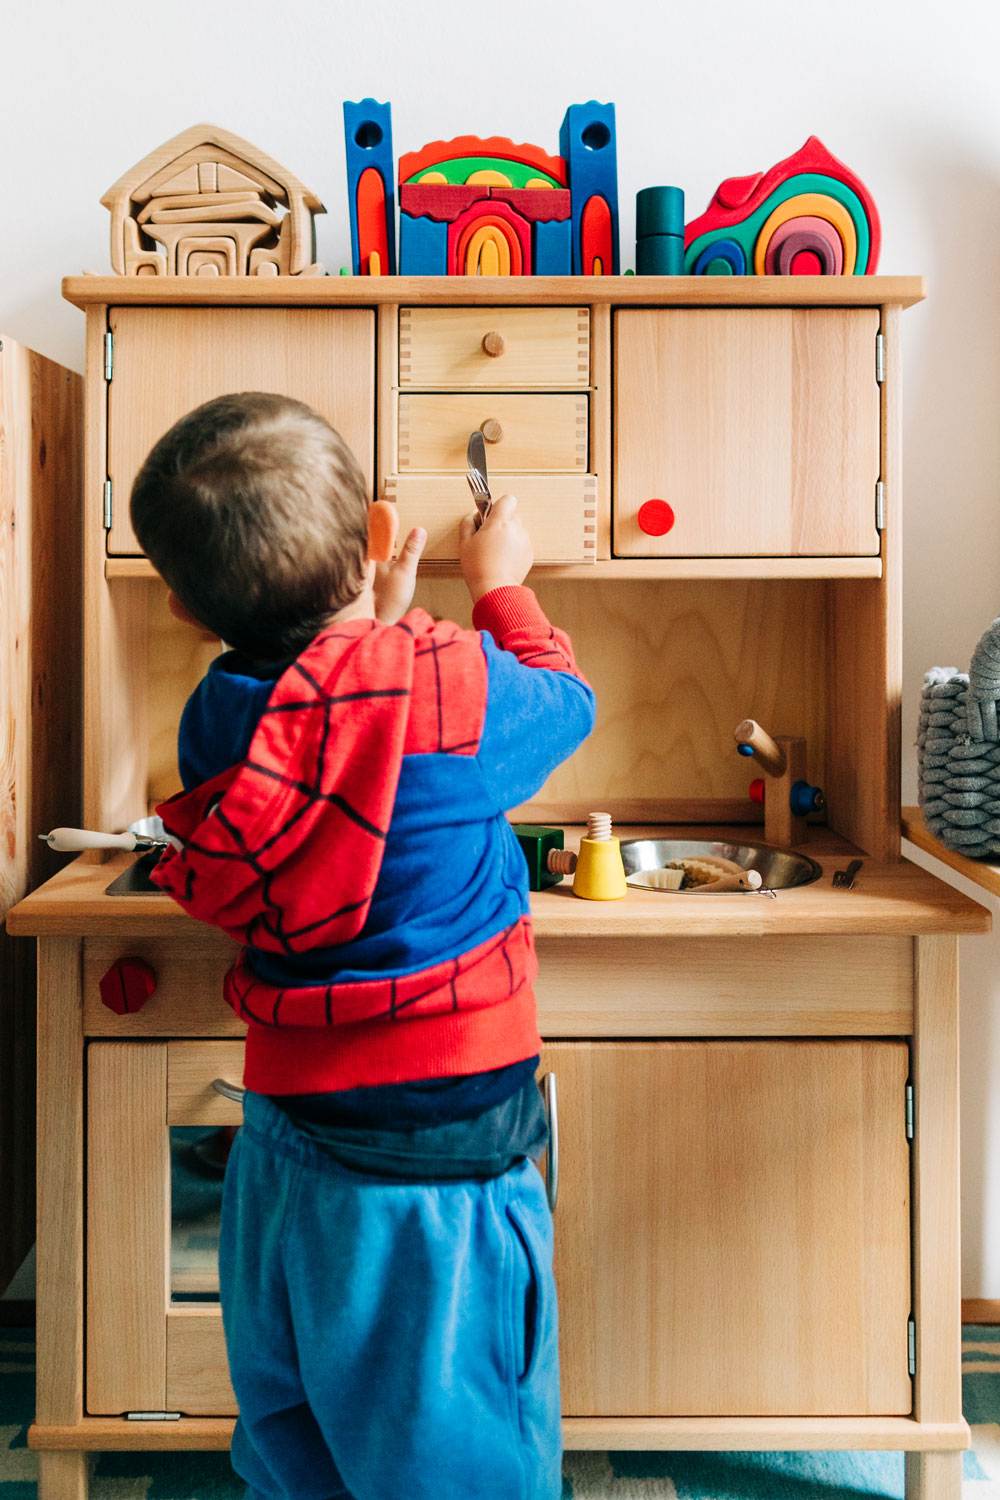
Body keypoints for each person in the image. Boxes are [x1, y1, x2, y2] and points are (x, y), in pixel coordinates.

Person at [130, 390, 596, 1500]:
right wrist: (502, 587)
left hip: (289, 1136)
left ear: (192, 612)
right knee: (457, 1442)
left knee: (302, 1427)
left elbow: (323, 710)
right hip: (444, 1151)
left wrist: (371, 618)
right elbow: (565, 706)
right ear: (380, 537)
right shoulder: (452, 683)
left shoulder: (218, 715)